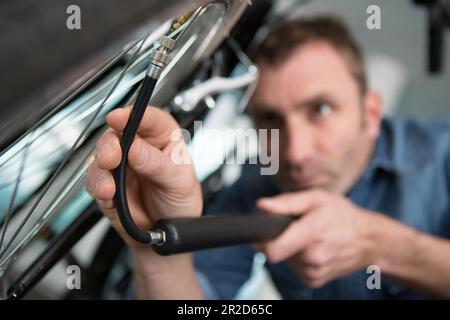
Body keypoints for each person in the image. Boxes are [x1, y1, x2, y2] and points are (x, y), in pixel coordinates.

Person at [86, 15, 450, 299]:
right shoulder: (255, 189)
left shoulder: (442, 156)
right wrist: (154, 242)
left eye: (320, 110)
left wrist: (376, 243)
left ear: (370, 114)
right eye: (271, 120)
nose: (295, 153)